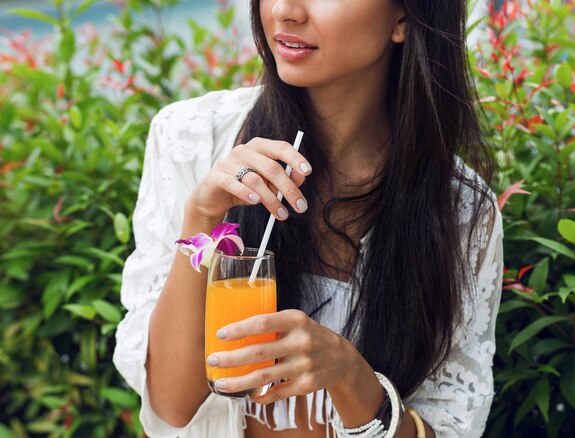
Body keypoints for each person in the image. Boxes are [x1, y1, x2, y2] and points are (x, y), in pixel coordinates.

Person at [113, 0, 503, 436]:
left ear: (404, 18)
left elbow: (446, 426)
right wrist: (202, 218)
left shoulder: (461, 210)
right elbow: (171, 406)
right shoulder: (192, 139)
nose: (284, 10)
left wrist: (351, 378)